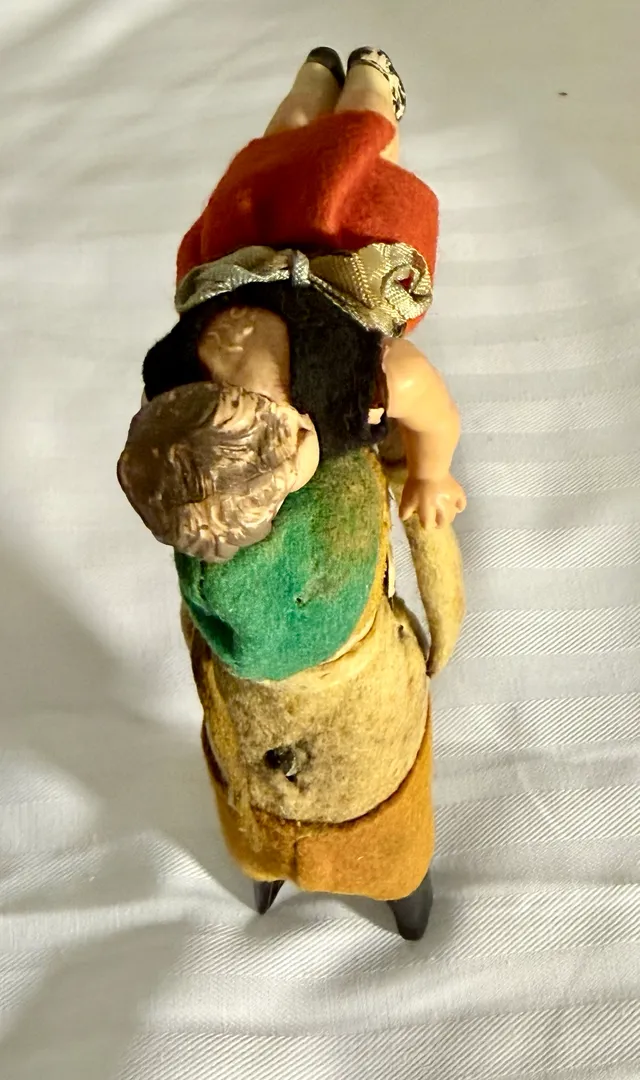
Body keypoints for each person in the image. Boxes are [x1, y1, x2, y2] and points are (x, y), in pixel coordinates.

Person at [120, 47, 466, 563]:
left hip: (345, 248)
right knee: (278, 150)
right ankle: (315, 79)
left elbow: (423, 393)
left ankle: (372, 81)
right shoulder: (165, 380)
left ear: (304, 433)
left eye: (280, 496)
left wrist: (431, 473)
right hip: (248, 239)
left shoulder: (352, 390)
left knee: (362, 155)